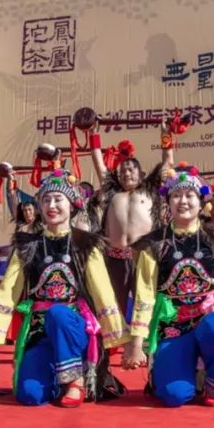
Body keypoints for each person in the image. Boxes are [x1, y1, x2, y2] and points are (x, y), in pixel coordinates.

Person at [0, 168, 128, 407]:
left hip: (73, 328)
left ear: (72, 205)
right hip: (39, 331)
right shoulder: (27, 246)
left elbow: (103, 292)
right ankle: (57, 374)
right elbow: (7, 292)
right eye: (46, 199)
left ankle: (75, 380)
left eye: (58, 199)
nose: (52, 205)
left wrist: (118, 338)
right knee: (30, 395)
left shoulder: (86, 244)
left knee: (58, 313)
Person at [124, 164, 214, 407]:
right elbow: (145, 294)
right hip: (173, 326)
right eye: (176, 196)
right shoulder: (154, 245)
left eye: (189, 195)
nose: (183, 201)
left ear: (202, 203)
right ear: (168, 203)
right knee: (174, 396)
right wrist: (137, 342)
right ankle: (182, 373)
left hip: (209, 321)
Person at [90, 123, 174, 322]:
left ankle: (146, 347)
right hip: (115, 257)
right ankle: (109, 348)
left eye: (131, 170)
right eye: (123, 171)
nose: (127, 173)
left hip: (143, 256)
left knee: (146, 303)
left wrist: (165, 134)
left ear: (142, 173)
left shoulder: (150, 190)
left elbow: (168, 161)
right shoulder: (113, 192)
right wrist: (93, 136)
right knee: (111, 305)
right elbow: (99, 164)